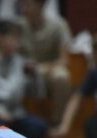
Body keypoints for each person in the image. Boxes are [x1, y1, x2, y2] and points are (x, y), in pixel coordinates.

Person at [0, 20, 48, 138]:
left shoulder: (20, 62)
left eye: (18, 38)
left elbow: (38, 95)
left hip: (16, 114)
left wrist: (35, 76)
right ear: (0, 38)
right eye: (13, 38)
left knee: (38, 126)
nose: (17, 43)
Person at [17, 0, 73, 128]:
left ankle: (56, 122)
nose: (24, 9)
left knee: (62, 77)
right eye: (22, 5)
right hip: (21, 70)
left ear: (41, 5)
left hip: (48, 70)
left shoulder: (59, 25)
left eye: (28, 5)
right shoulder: (17, 25)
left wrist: (41, 68)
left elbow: (64, 59)